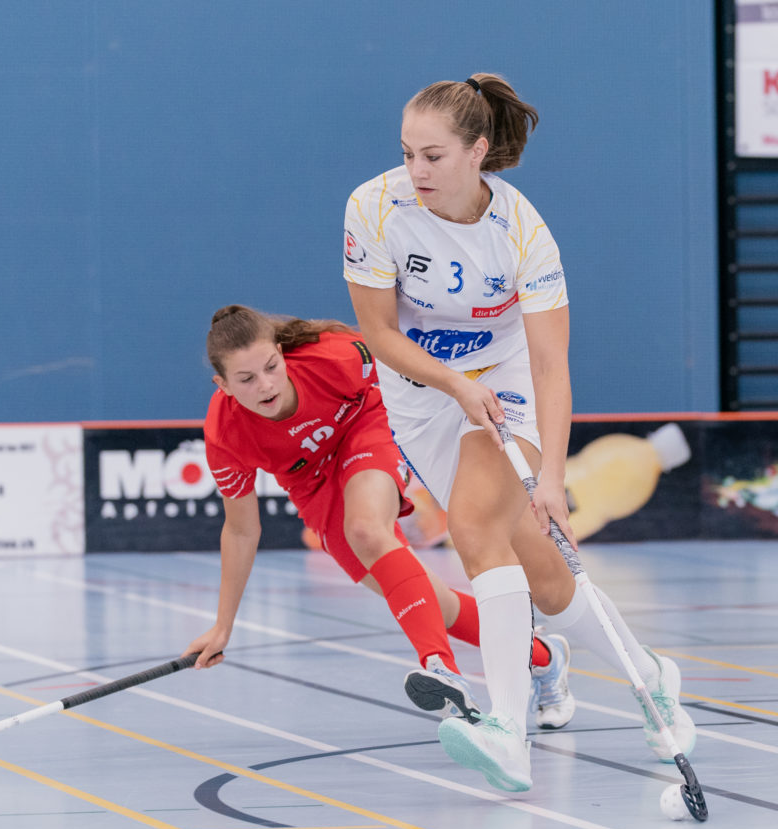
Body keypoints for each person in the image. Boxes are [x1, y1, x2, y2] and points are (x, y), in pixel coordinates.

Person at [343, 73, 695, 792]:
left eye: (433, 156)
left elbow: (550, 363)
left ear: (478, 152)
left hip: (506, 381)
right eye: (408, 152)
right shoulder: (374, 207)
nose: (416, 171)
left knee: (474, 526)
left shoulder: (524, 234)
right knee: (540, 570)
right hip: (422, 395)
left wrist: (556, 479)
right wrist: (452, 385)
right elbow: (378, 332)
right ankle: (651, 673)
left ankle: (507, 728)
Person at [181, 305, 574, 730]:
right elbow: (241, 530)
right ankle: (545, 658)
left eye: (272, 367)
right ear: (222, 385)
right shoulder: (225, 434)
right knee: (424, 600)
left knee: (367, 529)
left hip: (365, 426)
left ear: (281, 352)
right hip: (313, 486)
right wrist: (223, 626)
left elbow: (409, 373)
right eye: (246, 379)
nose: (267, 384)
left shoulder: (335, 356)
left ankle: (440, 667)